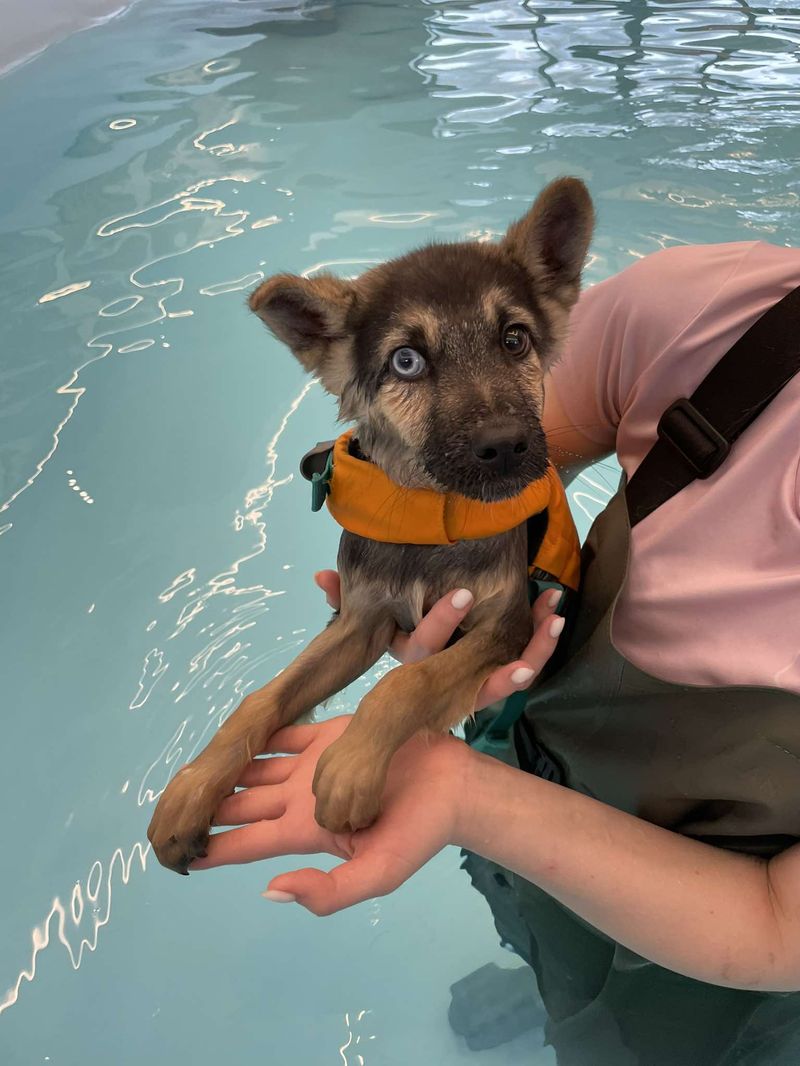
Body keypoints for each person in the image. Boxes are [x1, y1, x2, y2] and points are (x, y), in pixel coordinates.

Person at [193, 239, 800, 1065]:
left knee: (649, 1040)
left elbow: (777, 924)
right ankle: (543, 967)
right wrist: (425, 579)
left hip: (720, 940)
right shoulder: (720, 310)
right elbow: (507, 458)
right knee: (526, 905)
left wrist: (463, 792)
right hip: (534, 740)